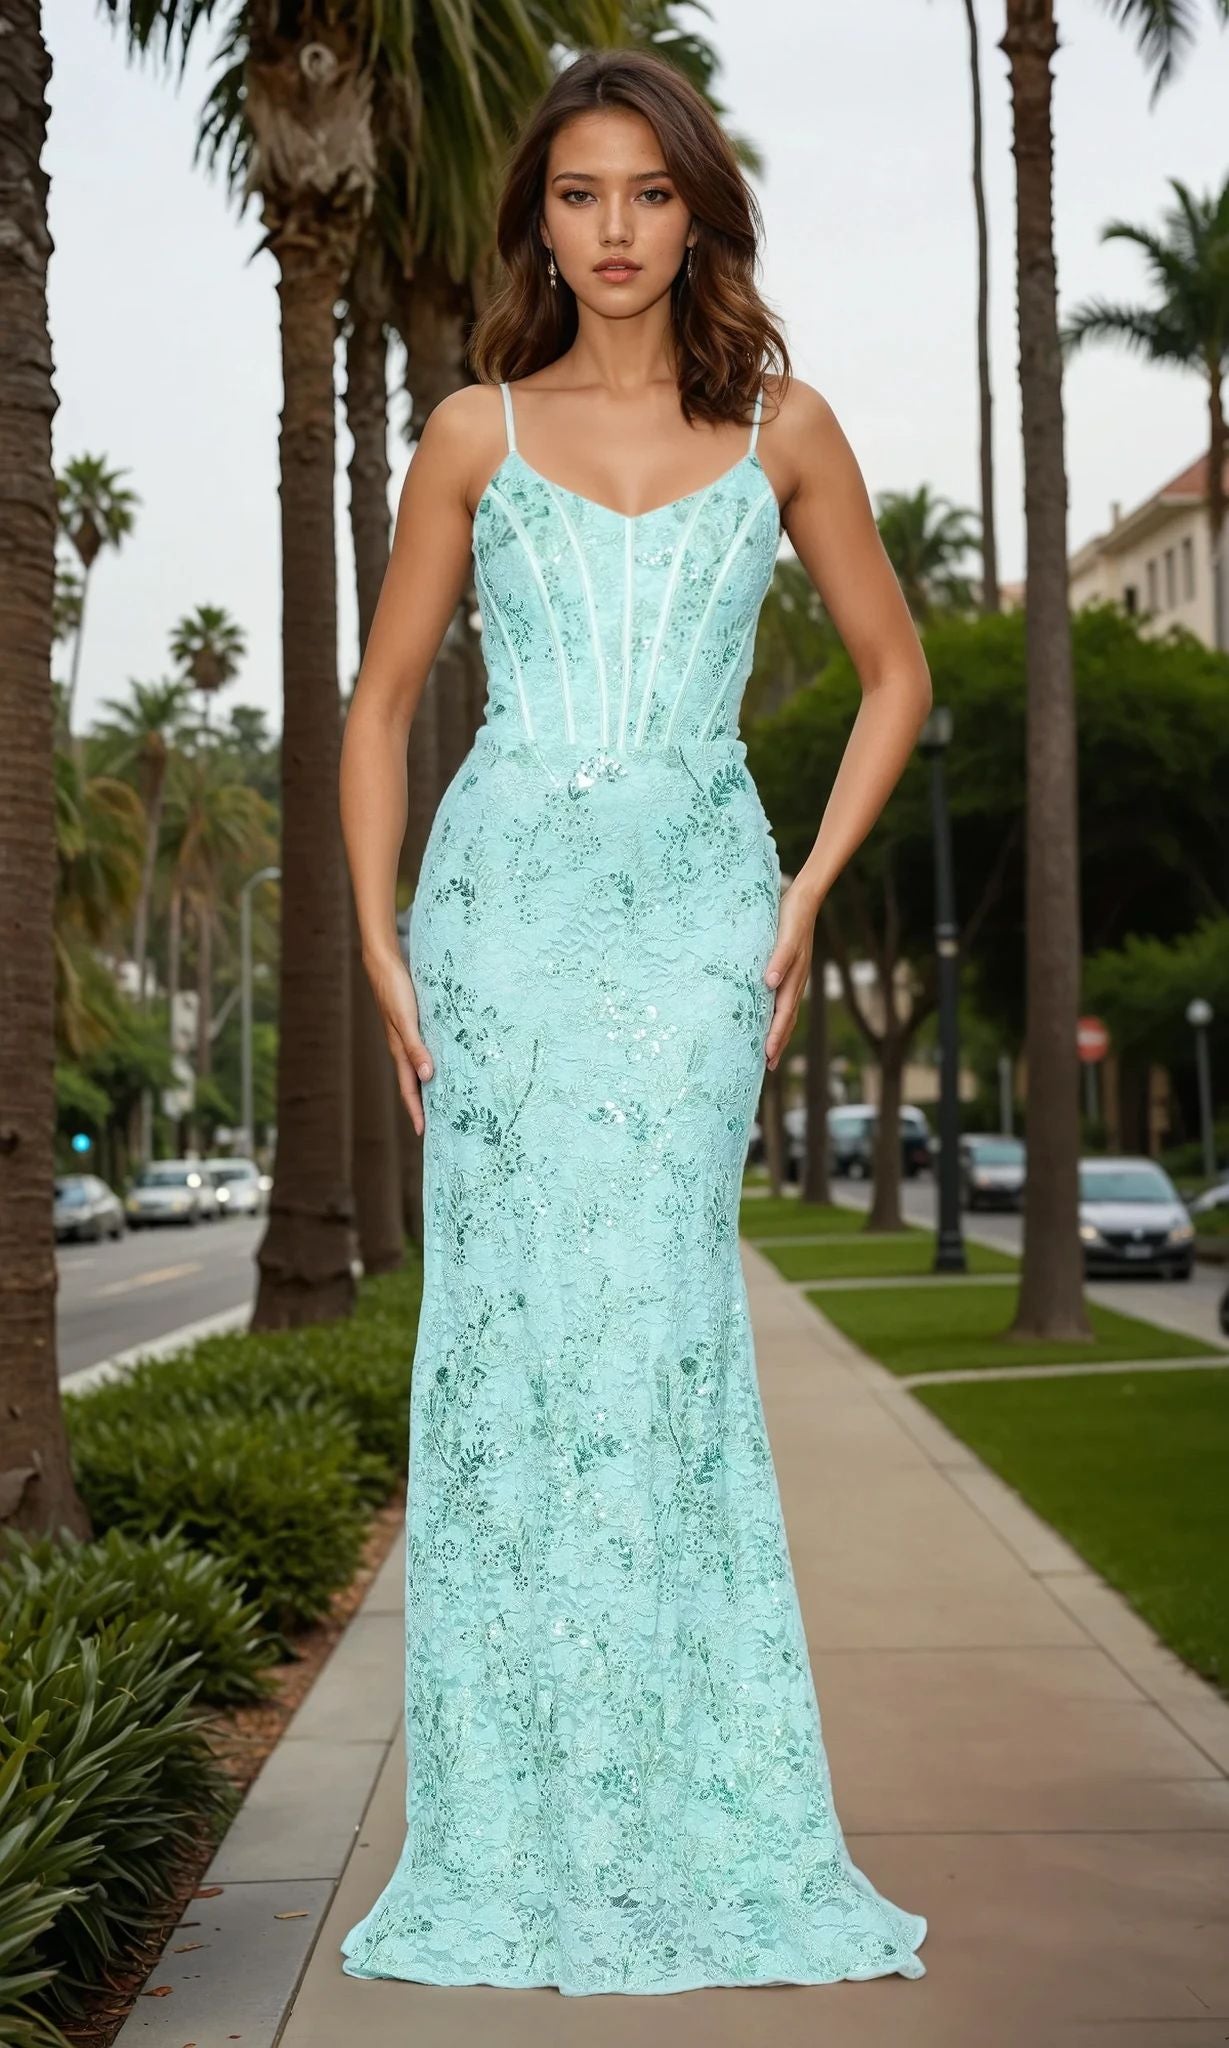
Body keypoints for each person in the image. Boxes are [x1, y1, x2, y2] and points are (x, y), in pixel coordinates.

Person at [338, 45, 931, 1998]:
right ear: (542, 220)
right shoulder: (470, 436)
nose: (611, 229)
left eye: (647, 193)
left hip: (692, 927)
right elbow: (380, 706)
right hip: (501, 924)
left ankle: (692, 1807)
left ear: (698, 209)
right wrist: (383, 944)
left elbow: (893, 672)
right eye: (579, 195)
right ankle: (520, 1823)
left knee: (661, 1342)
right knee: (505, 1363)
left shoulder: (782, 427)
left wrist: (804, 886)